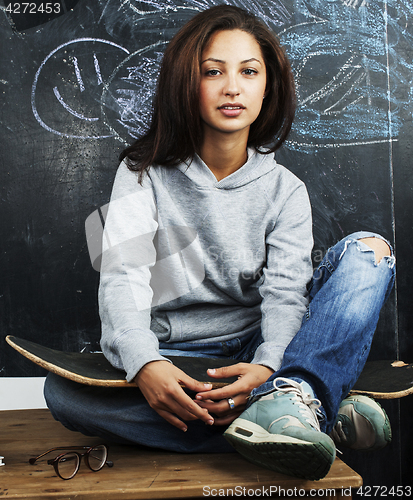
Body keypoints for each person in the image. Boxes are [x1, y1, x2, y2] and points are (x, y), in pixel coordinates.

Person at [44, 5, 396, 481]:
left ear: (267, 85)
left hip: (257, 353)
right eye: (213, 72)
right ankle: (308, 411)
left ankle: (292, 393)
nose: (233, 87)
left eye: (249, 72)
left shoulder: (286, 189)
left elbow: (287, 295)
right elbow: (123, 277)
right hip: (178, 359)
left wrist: (269, 365)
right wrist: (145, 363)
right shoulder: (140, 173)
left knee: (369, 251)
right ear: (186, 84)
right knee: (61, 396)